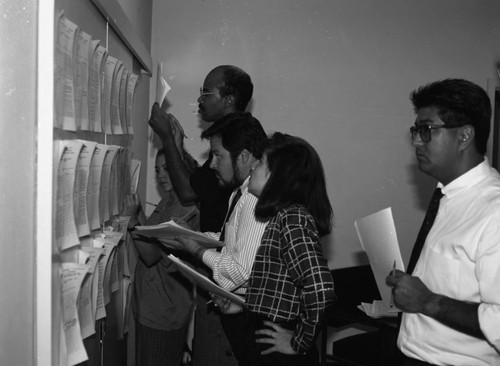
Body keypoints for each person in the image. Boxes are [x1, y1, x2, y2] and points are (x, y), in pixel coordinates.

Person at [386, 79, 500, 365]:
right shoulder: (446, 195)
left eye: (426, 131)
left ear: (464, 137)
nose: (415, 142)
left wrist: (427, 301)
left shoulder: (493, 210)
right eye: (415, 131)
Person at [148, 65, 254, 366]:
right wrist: (178, 148)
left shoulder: (237, 139)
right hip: (214, 268)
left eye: (206, 93)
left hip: (224, 278)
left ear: (229, 99)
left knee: (214, 352)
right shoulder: (227, 137)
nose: (200, 99)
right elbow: (201, 184)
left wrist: (168, 139)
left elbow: (188, 193)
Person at [214, 132, 336, 366]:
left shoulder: (293, 218)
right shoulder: (282, 217)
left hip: (280, 353)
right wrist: (243, 306)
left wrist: (298, 342)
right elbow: (283, 291)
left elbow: (320, 288)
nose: (252, 169)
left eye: (260, 163)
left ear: (277, 177)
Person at [168, 113, 269, 366]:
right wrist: (194, 236)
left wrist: (196, 250)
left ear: (243, 156)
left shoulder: (254, 198)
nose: (212, 164)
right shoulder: (239, 191)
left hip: (251, 324)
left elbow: (241, 271)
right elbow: (230, 241)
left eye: (218, 155)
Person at [125, 149, 200, 366]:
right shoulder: (169, 200)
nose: (161, 175)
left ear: (181, 168)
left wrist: (131, 220)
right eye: (157, 170)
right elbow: (149, 233)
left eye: (167, 168)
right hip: (151, 306)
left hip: (163, 312)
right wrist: (137, 213)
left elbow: (150, 255)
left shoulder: (186, 208)